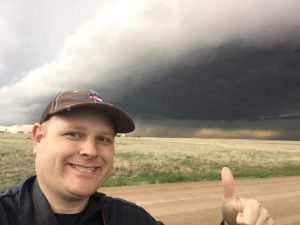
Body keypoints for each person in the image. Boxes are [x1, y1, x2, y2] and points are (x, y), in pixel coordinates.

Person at [0, 89, 273, 225]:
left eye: (104, 139)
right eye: (73, 134)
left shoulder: (129, 219)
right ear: (38, 138)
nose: (91, 151)